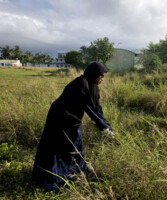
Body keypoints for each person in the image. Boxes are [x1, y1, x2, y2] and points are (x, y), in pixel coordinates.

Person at [32, 62, 113, 190]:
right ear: (94, 74)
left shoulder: (92, 86)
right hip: (61, 116)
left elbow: (97, 108)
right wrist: (103, 127)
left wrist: (107, 124)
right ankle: (54, 176)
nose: (102, 79)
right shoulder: (81, 84)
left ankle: (75, 171)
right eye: (101, 76)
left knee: (75, 142)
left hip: (72, 117)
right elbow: (89, 109)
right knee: (60, 144)